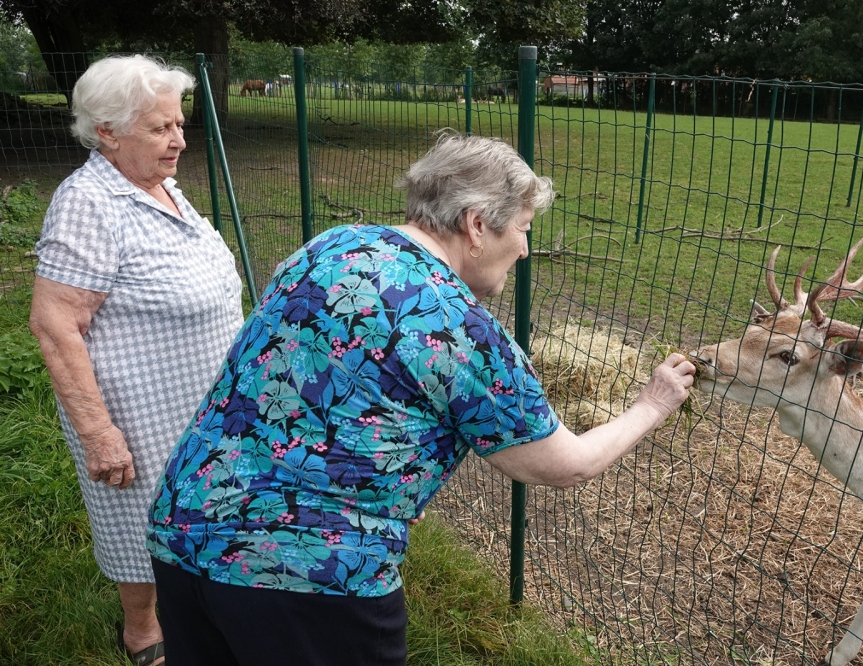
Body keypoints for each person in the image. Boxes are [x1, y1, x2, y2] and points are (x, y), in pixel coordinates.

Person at [146, 133, 696, 666]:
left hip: (185, 526)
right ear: (477, 225)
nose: (526, 249)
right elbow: (565, 465)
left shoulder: (332, 244)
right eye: (524, 229)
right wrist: (653, 402)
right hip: (311, 576)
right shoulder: (459, 328)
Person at [29, 55, 245, 666]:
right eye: (159, 129)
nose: (178, 140)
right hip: (138, 411)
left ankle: (201, 615)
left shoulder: (161, 186)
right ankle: (143, 632)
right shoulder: (89, 203)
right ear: (107, 131)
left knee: (199, 520)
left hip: (200, 403)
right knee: (139, 526)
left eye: (178, 124)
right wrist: (99, 432)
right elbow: (54, 323)